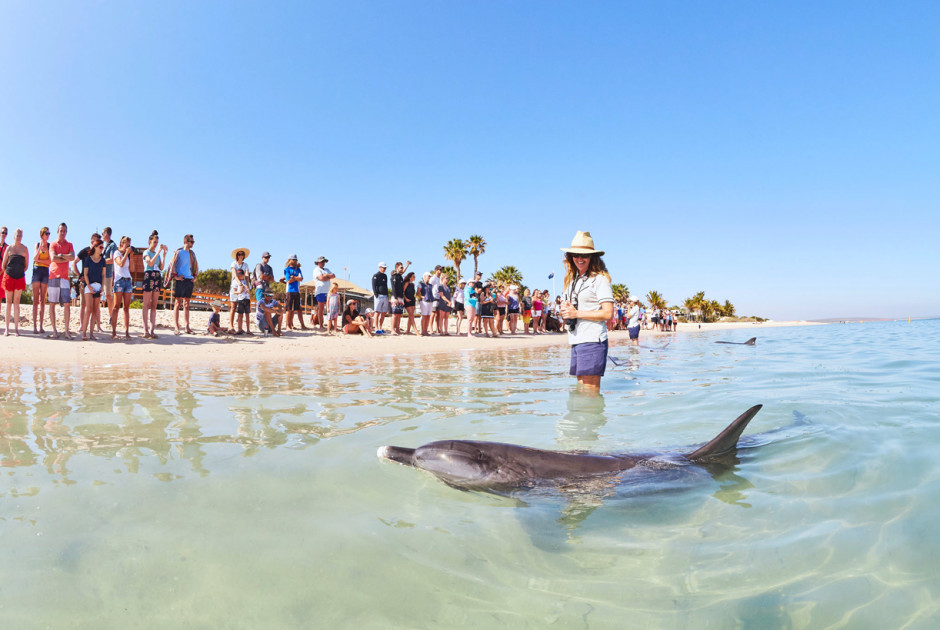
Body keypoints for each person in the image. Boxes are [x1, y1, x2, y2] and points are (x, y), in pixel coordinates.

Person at [559, 231, 614, 390]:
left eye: (585, 255)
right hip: (576, 340)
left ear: (593, 257)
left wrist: (576, 313)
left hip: (592, 340)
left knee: (589, 394)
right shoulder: (573, 281)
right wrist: (566, 311)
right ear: (570, 256)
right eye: (576, 254)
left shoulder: (600, 279)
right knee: (581, 391)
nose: (580, 258)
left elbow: (608, 313)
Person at [47, 223, 75, 339]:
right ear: (57, 232)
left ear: (66, 232)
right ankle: (54, 331)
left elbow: (72, 257)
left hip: (64, 278)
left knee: (67, 304)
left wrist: (61, 255)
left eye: (64, 231)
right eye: (60, 231)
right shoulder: (53, 244)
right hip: (53, 276)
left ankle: (67, 331)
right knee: (52, 304)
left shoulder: (69, 244)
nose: (62, 233)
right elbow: (53, 258)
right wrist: (65, 257)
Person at [2, 228, 29, 336]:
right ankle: (7, 329)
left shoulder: (24, 249)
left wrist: (19, 272)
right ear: (14, 236)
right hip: (9, 276)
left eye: (20, 235)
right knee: (8, 302)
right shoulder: (9, 248)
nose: (19, 237)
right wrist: (10, 273)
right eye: (17, 235)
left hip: (20, 277)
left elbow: (26, 265)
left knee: (16, 302)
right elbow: (3, 265)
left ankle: (16, 329)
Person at [141, 230, 167, 340]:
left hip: (156, 276)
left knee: (154, 305)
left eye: (157, 242)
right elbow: (150, 263)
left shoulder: (158, 255)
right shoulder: (146, 252)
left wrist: (164, 255)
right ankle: (145, 330)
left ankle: (152, 330)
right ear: (150, 242)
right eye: (154, 242)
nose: (156, 244)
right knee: (146, 304)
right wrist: (158, 252)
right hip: (148, 276)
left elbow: (161, 268)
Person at [170, 234, 198, 334]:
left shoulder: (192, 254)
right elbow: (172, 264)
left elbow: (196, 265)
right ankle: (176, 327)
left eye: (193, 242)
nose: (193, 243)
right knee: (178, 303)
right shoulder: (178, 252)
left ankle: (187, 327)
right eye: (192, 242)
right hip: (181, 280)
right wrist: (176, 277)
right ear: (186, 241)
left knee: (187, 304)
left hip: (189, 280)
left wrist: (195, 277)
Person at [79, 236, 106, 341]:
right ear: (95, 247)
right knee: (88, 309)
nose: (102, 249)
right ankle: (84, 333)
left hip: (98, 286)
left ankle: (91, 334)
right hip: (88, 286)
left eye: (103, 247)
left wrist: (102, 287)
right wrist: (89, 286)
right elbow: (85, 274)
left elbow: (103, 275)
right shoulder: (87, 259)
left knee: (95, 310)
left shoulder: (102, 260)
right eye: (100, 247)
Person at [110, 235, 134, 340]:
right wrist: (126, 255)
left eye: (129, 245)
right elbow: (120, 264)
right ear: (122, 244)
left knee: (126, 307)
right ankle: (114, 331)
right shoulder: (117, 253)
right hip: (119, 281)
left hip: (128, 280)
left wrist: (131, 256)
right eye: (126, 244)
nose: (128, 247)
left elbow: (132, 268)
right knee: (116, 306)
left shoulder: (127, 255)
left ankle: (127, 331)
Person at [31, 227, 51, 334]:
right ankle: (34, 326)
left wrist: (39, 260)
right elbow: (35, 257)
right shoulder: (37, 245)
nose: (48, 235)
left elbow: (50, 261)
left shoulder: (49, 246)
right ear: (42, 234)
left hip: (45, 271)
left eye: (49, 233)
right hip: (36, 270)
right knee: (35, 300)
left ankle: (41, 326)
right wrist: (39, 248)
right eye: (46, 233)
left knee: (43, 300)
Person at [229, 247, 252, 335]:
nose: (241, 256)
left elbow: (246, 275)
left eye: (242, 254)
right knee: (233, 306)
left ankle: (241, 327)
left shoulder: (246, 265)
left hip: (243, 287)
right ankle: (231, 326)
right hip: (236, 285)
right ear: (236, 255)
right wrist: (240, 284)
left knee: (243, 309)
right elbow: (234, 274)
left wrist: (247, 286)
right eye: (239, 254)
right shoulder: (233, 264)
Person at [283, 254, 307, 330]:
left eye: (296, 260)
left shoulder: (298, 269)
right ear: (289, 260)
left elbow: (301, 278)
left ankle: (302, 325)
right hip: (290, 291)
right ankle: (288, 325)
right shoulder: (287, 269)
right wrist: (295, 278)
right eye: (293, 260)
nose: (295, 261)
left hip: (297, 291)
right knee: (289, 309)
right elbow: (288, 280)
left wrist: (293, 277)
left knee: (298, 309)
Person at [311, 256, 334, 330]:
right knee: (320, 309)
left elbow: (333, 275)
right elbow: (321, 278)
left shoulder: (327, 269)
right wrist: (328, 276)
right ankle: (321, 324)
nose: (323, 263)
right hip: (320, 290)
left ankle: (331, 324)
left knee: (330, 308)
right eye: (321, 261)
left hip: (328, 290)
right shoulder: (316, 270)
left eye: (324, 261)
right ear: (318, 262)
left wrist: (325, 276)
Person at [389, 260, 410, 335]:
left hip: (401, 297)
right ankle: (392, 329)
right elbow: (393, 287)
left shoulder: (400, 276)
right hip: (396, 297)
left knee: (399, 314)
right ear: (397, 268)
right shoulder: (394, 276)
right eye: (401, 267)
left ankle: (397, 329)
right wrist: (395, 297)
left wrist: (407, 265)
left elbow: (403, 272)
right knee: (394, 314)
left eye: (402, 267)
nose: (402, 269)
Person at [101, 227, 117, 319]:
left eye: (103, 233)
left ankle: (112, 316)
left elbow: (111, 260)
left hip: (107, 274)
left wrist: (101, 261)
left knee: (108, 295)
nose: (102, 235)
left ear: (107, 233)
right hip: (101, 274)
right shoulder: (104, 245)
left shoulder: (112, 245)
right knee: (97, 296)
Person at [372, 262, 390, 332]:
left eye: (385, 268)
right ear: (379, 267)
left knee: (384, 312)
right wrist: (376, 295)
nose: (384, 269)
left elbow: (386, 285)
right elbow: (373, 286)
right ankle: (376, 327)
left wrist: (387, 295)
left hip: (385, 296)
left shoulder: (385, 276)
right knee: (377, 312)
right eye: (383, 268)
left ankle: (380, 327)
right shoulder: (376, 275)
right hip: (378, 296)